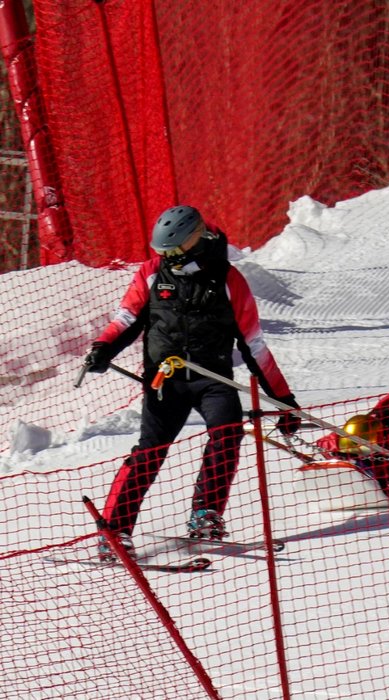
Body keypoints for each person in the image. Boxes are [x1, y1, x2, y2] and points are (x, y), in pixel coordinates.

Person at [84, 205, 301, 560]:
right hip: (164, 379)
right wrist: (103, 347)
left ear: (195, 240)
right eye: (162, 252)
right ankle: (116, 530)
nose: (168, 258)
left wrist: (282, 399)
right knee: (150, 451)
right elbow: (127, 318)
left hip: (212, 378)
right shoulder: (153, 273)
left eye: (173, 250)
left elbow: (254, 344)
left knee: (227, 433)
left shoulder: (229, 280)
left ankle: (206, 515)